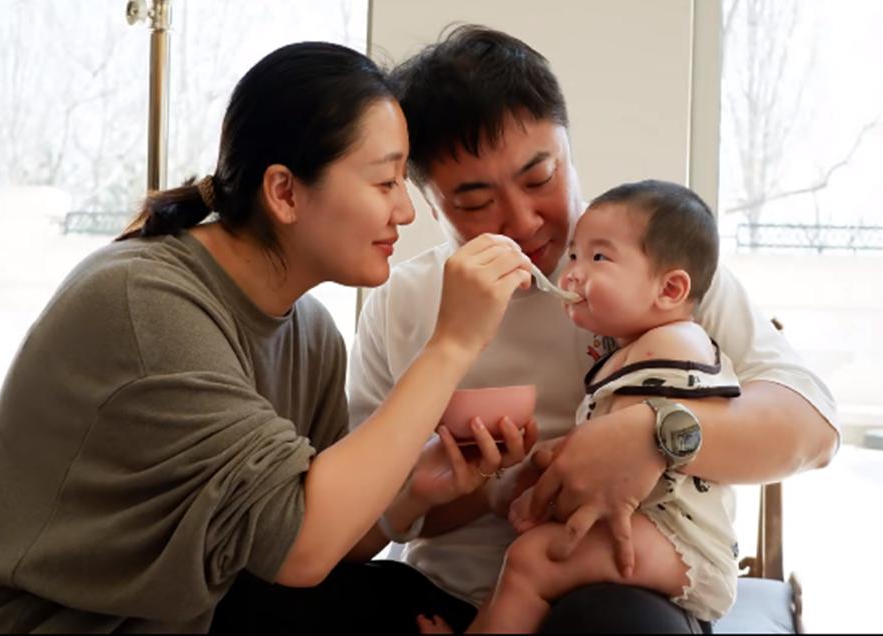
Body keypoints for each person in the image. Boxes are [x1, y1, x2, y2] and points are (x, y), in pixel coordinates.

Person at [0, 42, 538, 633]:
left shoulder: (311, 334)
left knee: (399, 598)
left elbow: (312, 549)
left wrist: (412, 494)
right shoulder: (144, 302)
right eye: (385, 182)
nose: (405, 210)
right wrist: (452, 345)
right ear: (284, 192)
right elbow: (302, 547)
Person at [347, 25, 839, 632]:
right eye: (475, 203)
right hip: (444, 590)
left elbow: (814, 430)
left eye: (539, 178)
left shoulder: (654, 269)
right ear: (429, 203)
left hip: (621, 588)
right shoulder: (401, 303)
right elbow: (362, 516)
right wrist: (481, 491)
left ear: (569, 149)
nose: (522, 220)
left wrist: (654, 433)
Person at [417, 179, 744, 634]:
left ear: (670, 289)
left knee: (532, 559)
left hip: (683, 542)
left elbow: (611, 451)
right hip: (659, 531)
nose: (572, 273)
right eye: (574, 255)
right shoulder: (634, 348)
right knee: (528, 557)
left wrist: (536, 486)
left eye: (599, 258)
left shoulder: (672, 343)